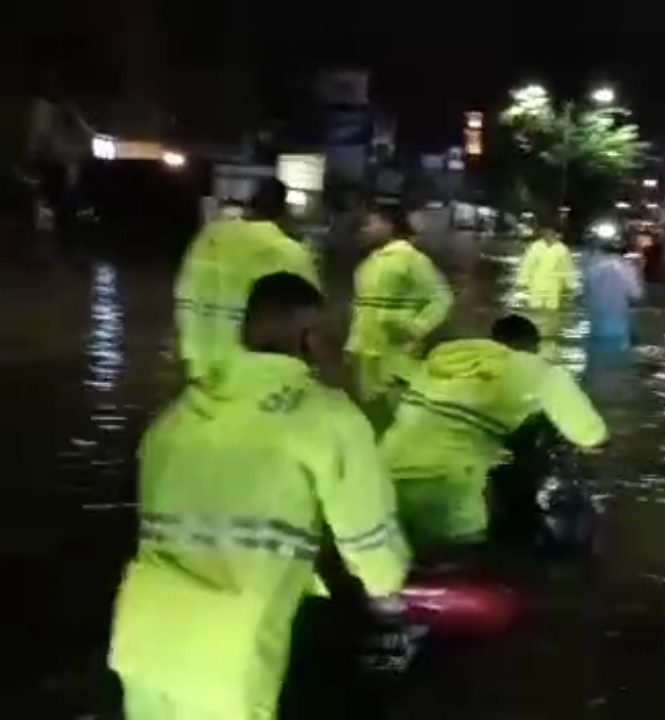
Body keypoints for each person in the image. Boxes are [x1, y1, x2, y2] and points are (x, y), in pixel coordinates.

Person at [109, 273, 409, 719]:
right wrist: (391, 602)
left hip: (144, 641)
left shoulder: (173, 419)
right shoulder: (327, 420)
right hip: (229, 660)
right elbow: (373, 554)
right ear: (312, 339)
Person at [382, 315, 607, 548]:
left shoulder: (443, 358)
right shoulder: (536, 370)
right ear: (532, 347)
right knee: (463, 554)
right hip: (447, 487)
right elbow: (591, 436)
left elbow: (393, 373)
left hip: (384, 475)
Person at [175, 178, 319, 381]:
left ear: (249, 204)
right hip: (257, 376)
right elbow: (311, 320)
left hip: (201, 366)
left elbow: (185, 296)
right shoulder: (290, 252)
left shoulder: (206, 241)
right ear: (283, 211)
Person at [346, 202, 452, 431]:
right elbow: (362, 307)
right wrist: (352, 345)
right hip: (367, 353)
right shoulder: (371, 261)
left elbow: (442, 299)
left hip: (396, 355)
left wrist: (416, 328)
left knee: (398, 419)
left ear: (389, 225)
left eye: (371, 223)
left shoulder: (412, 259)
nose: (366, 229)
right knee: (370, 419)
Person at [514, 227, 578, 346]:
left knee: (552, 311)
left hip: (554, 285)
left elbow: (568, 268)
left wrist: (571, 285)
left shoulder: (562, 249)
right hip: (536, 284)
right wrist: (521, 282)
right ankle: (535, 334)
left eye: (551, 234)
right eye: (546, 234)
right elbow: (527, 265)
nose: (548, 236)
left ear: (555, 235)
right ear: (543, 235)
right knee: (536, 309)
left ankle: (549, 336)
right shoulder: (535, 247)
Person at [583, 233, 643, 348]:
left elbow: (586, 294)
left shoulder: (591, 270)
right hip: (618, 329)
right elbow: (636, 295)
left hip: (596, 328)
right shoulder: (627, 269)